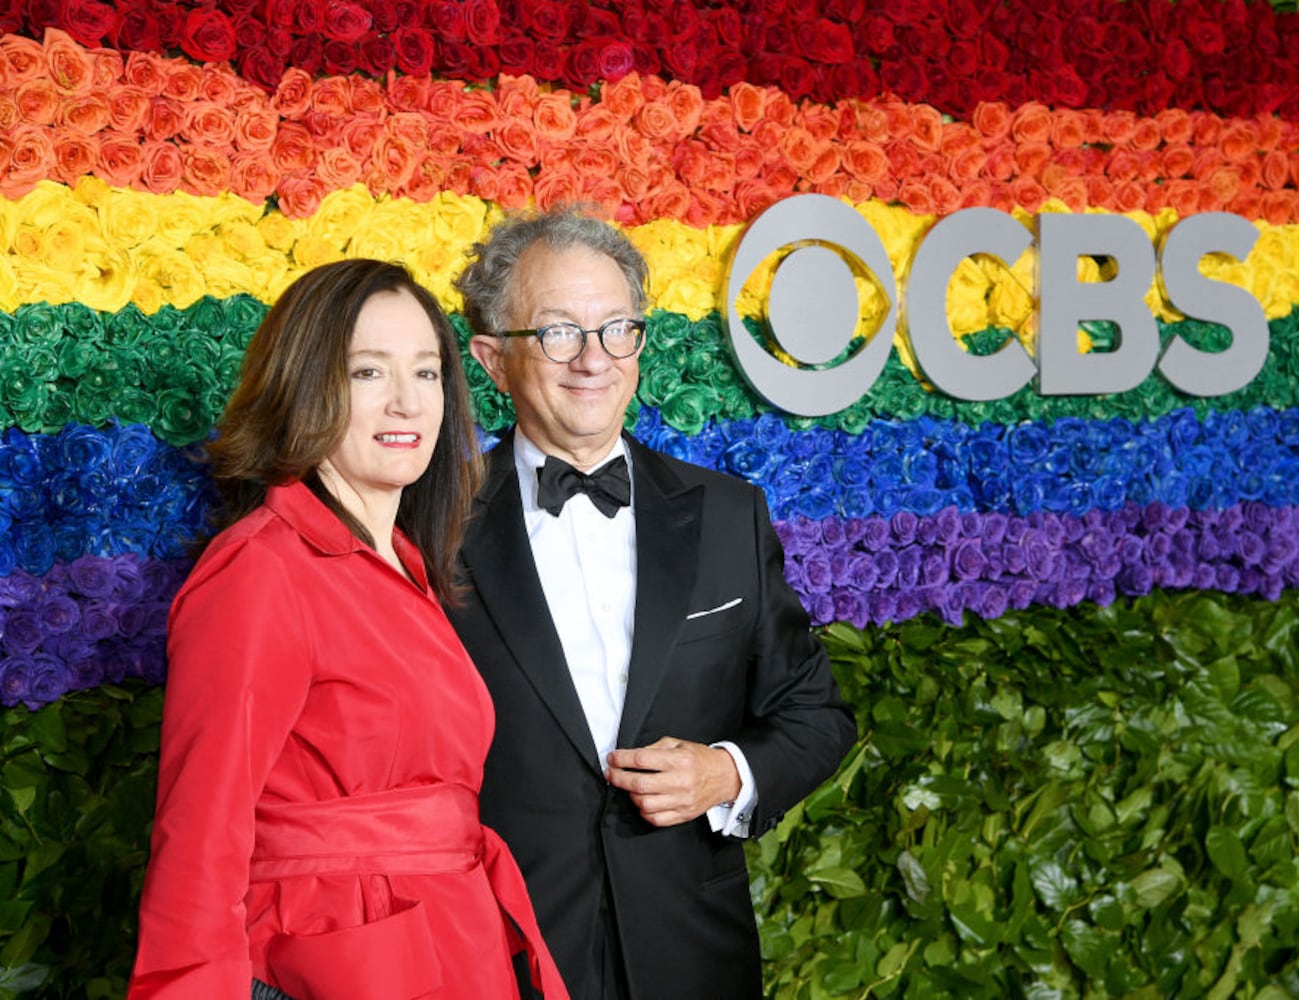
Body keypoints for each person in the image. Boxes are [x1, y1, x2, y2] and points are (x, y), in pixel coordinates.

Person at [128, 260, 568, 999]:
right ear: (305, 387)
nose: (407, 403)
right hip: (337, 960)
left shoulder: (405, 563)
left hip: (452, 941)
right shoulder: (260, 570)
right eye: (368, 373)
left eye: (426, 374)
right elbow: (199, 832)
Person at [449, 208, 858, 1000]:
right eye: (557, 332)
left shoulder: (730, 513)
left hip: (693, 955)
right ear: (494, 361)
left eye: (616, 329)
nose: (592, 360)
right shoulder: (428, 527)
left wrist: (724, 773)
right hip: (503, 954)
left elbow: (815, 717)